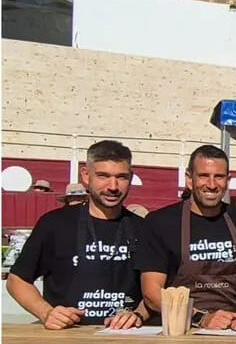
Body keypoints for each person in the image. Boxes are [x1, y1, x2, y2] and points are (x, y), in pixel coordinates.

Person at [7, 140, 147, 330]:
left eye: (121, 177)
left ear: (131, 177)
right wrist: (46, 312)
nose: (113, 186)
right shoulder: (54, 224)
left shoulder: (145, 229)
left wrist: (138, 314)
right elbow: (17, 280)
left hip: (126, 337)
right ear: (86, 175)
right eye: (103, 176)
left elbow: (160, 290)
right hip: (66, 337)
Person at [139, 145, 236, 331]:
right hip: (179, 327)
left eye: (219, 177)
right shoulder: (160, 222)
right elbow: (152, 292)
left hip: (233, 325)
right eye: (204, 176)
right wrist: (200, 318)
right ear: (190, 179)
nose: (212, 185)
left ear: (228, 180)